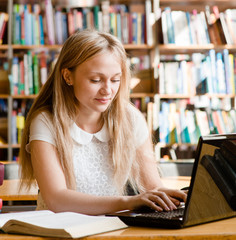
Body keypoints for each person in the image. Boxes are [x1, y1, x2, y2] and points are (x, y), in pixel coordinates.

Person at [19, 29, 187, 215]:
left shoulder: (130, 118)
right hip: (59, 231)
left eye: (115, 79)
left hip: (111, 229)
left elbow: (152, 188)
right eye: (96, 80)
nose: (108, 90)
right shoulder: (46, 122)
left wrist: (177, 198)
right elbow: (56, 200)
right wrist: (128, 202)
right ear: (68, 76)